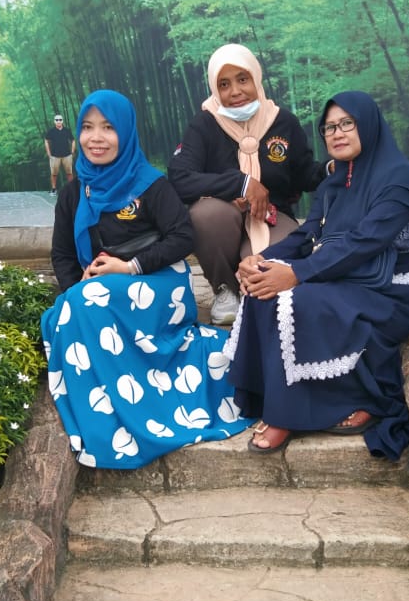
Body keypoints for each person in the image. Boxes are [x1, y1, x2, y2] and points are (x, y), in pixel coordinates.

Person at [41, 89, 253, 470]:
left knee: (83, 304)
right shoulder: (73, 193)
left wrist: (129, 268)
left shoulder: (150, 184)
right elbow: (62, 255)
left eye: (108, 128)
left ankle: (144, 411)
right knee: (65, 311)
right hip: (99, 293)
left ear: (125, 132)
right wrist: (80, 285)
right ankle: (106, 414)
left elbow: (182, 238)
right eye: (87, 128)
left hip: (156, 283)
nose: (96, 138)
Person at [224, 90, 409, 462]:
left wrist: (296, 274)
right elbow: (307, 235)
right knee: (262, 289)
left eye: (346, 124)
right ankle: (273, 398)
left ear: (367, 125)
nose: (337, 134)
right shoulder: (335, 181)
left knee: (296, 300)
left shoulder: (398, 180)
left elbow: (365, 242)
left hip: (389, 289)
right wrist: (261, 260)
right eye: (329, 128)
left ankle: (296, 412)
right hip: (342, 277)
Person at [168, 43, 328, 326]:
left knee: (268, 276)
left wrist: (329, 170)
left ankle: (252, 294)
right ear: (215, 88)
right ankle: (225, 289)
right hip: (223, 220)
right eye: (224, 84)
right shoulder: (205, 124)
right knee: (206, 214)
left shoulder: (282, 122)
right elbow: (180, 177)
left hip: (272, 217)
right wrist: (241, 184)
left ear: (256, 77)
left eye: (243, 79)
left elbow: (303, 173)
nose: (235, 91)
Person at [44, 112, 75, 195]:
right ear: (54, 121)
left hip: (67, 155)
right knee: (54, 174)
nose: (58, 121)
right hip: (54, 156)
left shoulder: (67, 130)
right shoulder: (51, 131)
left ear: (62, 121)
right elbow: (46, 140)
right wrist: (48, 153)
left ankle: (71, 189)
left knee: (69, 173)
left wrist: (72, 151)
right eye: (57, 120)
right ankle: (54, 189)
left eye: (60, 120)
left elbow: (73, 140)